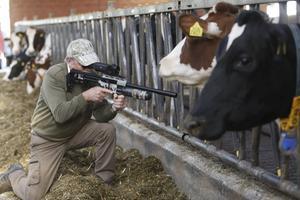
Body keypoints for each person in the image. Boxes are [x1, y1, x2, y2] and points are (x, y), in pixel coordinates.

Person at [0, 38, 126, 200]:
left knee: (107, 130)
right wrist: (86, 96)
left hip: (75, 131)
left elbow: (101, 116)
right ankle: (14, 173)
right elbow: (60, 115)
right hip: (48, 140)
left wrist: (114, 107)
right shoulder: (54, 75)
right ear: (69, 61)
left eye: (91, 65)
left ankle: (104, 181)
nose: (88, 69)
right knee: (33, 195)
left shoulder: (89, 77)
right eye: (84, 65)